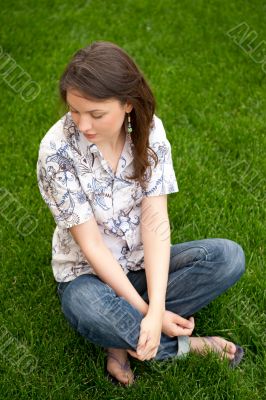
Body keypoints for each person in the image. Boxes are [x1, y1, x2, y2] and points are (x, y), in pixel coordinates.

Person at [36, 41, 246, 386]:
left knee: (228, 257)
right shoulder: (56, 151)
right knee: (85, 306)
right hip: (88, 275)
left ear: (128, 104)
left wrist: (157, 303)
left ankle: (120, 339)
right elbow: (91, 245)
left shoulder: (150, 133)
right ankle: (183, 346)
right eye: (75, 111)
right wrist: (151, 313)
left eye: (96, 114)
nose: (83, 125)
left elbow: (156, 221)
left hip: (141, 262)